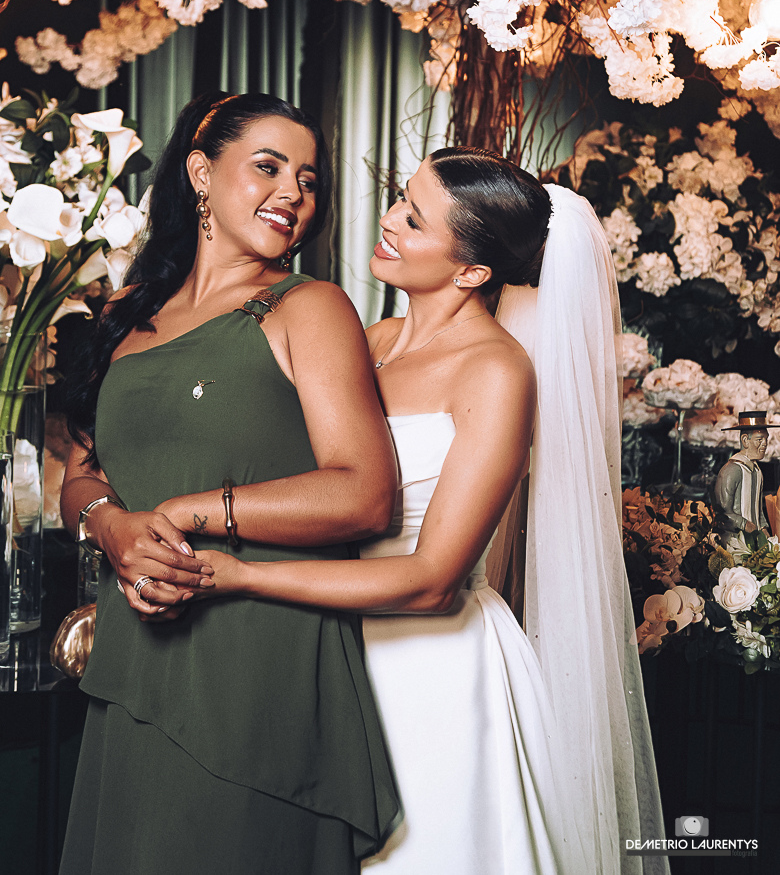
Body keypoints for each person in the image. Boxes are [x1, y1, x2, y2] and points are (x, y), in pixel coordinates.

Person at [192, 147, 670, 875]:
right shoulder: (369, 341)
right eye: (399, 198)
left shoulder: (495, 372)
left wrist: (243, 577)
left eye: (414, 220)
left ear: (471, 272)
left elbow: (433, 582)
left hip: (430, 675)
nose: (388, 221)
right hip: (322, 651)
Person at [59, 92, 401, 875]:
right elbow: (81, 474)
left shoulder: (308, 308)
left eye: (308, 180)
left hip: (257, 661)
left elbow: (365, 494)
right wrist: (112, 527)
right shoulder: (125, 312)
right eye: (268, 167)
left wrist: (187, 513)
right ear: (201, 174)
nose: (293, 194)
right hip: (135, 653)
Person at [713, 411, 775, 552]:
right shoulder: (731, 471)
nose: (765, 444)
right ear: (745, 440)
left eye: (766, 439)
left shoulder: (757, 470)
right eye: (759, 439)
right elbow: (722, 513)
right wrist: (745, 524)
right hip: (734, 544)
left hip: (755, 543)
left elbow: (758, 508)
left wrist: (763, 528)